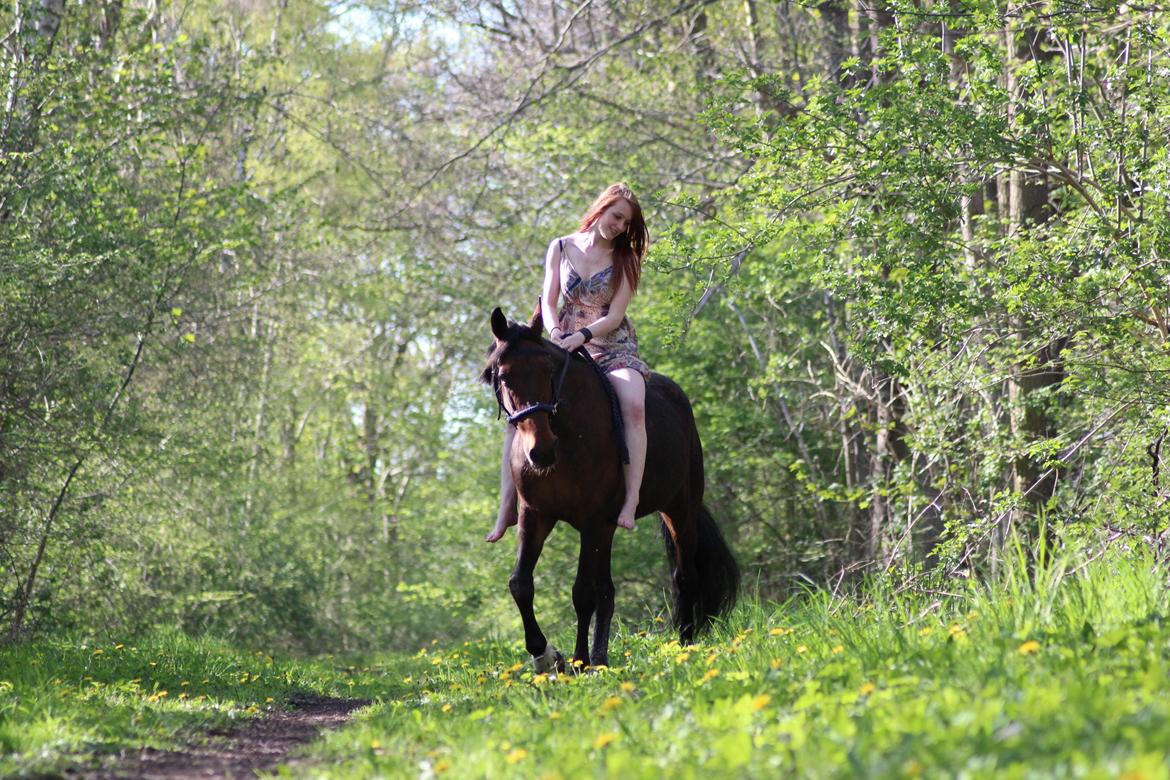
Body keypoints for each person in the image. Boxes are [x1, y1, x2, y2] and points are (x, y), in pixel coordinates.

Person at [486, 183, 651, 542]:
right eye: (616, 216)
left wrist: (583, 337)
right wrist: (558, 330)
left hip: (610, 345)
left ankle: (630, 499)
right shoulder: (561, 247)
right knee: (524, 410)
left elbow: (615, 315)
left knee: (635, 405)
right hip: (562, 343)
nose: (620, 226)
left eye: (626, 223)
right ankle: (506, 506)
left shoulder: (626, 259)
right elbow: (548, 299)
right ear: (601, 209)